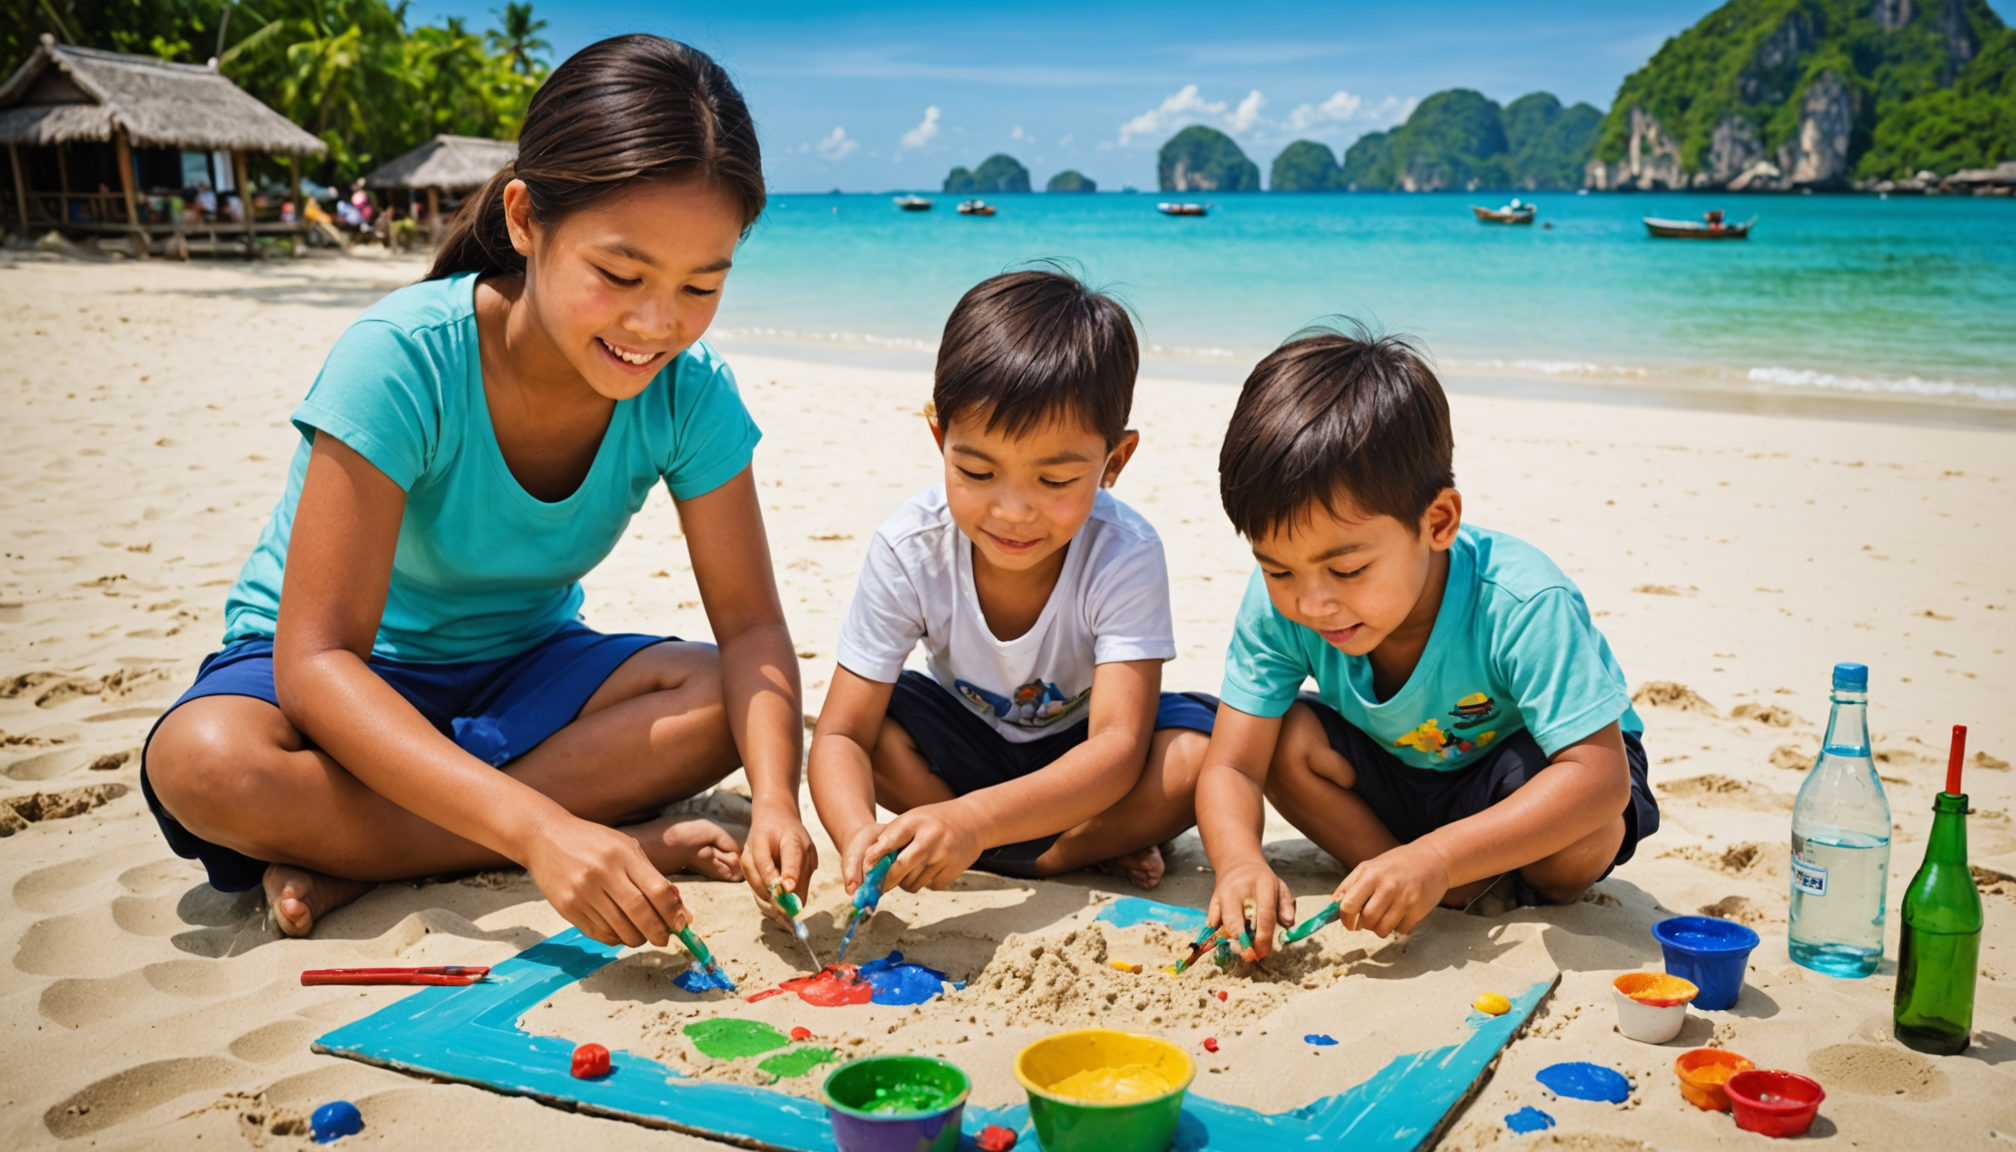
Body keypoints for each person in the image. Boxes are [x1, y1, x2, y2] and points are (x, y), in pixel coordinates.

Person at [141, 35, 818, 948]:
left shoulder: (690, 391)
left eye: (701, 285)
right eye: (620, 275)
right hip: (346, 676)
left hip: (521, 663)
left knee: (718, 702)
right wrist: (541, 831)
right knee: (204, 764)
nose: (657, 324)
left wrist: (777, 799)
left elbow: (752, 631)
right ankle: (556, 834)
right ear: (528, 219)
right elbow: (316, 664)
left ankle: (370, 856)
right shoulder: (402, 361)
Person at [1196, 325, 1658, 956]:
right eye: (1278, 569)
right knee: (1286, 742)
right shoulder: (1279, 608)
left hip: (1521, 774)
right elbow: (1232, 765)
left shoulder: (1521, 600)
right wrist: (1239, 862)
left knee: (1584, 837)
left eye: (1348, 569)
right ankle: (1396, 878)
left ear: (1437, 521)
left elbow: (1601, 779)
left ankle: (1441, 871)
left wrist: (1439, 856)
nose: (1311, 602)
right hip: (1400, 781)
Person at [807, 269, 1215, 897]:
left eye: (1054, 482)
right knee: (880, 723)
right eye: (977, 470)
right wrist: (857, 835)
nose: (1013, 510)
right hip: (963, 758)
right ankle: (1063, 845)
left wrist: (971, 822)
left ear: (1115, 463)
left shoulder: (1124, 552)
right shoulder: (910, 547)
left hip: (1082, 764)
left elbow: (1117, 746)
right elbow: (840, 734)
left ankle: (1030, 857)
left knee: (1196, 759)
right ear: (940, 439)